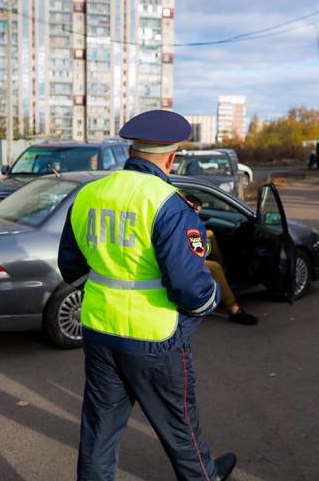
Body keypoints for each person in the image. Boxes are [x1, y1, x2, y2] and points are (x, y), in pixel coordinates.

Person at [58, 110, 237, 481]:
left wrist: (103, 297)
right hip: (156, 339)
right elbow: (190, 286)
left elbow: (71, 267)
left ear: (133, 150)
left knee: (99, 435)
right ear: (171, 157)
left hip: (99, 330)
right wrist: (210, 303)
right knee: (181, 432)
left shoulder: (88, 194)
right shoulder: (168, 203)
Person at [185, 194, 259, 325]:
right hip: (186, 261)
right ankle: (234, 309)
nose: (198, 215)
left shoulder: (186, 218)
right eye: (197, 212)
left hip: (188, 255)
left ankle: (222, 267)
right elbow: (193, 248)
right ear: (191, 207)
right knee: (215, 267)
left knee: (211, 234)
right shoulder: (185, 221)